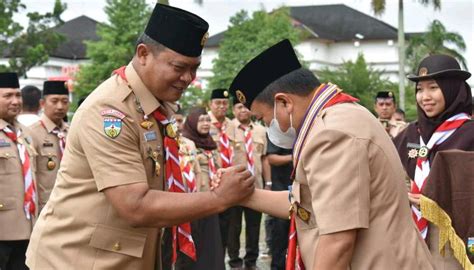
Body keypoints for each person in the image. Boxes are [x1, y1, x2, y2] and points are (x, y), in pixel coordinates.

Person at [25, 4, 254, 270]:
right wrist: (218, 198)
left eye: (194, 68)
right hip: (78, 260)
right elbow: (135, 205)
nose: (188, 78)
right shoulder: (110, 111)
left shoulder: (152, 107)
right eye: (179, 67)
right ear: (143, 54)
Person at [223, 39, 435, 270]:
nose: (265, 125)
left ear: (284, 102)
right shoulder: (335, 117)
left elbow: (337, 241)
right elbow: (304, 204)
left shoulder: (331, 134)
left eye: (263, 118)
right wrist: (243, 195)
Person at [394, 54, 473, 269]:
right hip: (409, 236)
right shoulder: (409, 134)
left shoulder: (470, 133)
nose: (424, 97)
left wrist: (438, 198)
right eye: (419, 89)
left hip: (451, 239)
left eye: (433, 88)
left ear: (452, 89)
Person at [175, 107, 225, 270]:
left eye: (207, 120)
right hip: (192, 200)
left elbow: (215, 167)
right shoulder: (185, 143)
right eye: (201, 120)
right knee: (193, 240)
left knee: (211, 241)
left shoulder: (211, 142)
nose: (205, 123)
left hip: (212, 199)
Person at [0, 72, 37, 270]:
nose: (15, 101)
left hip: (27, 227)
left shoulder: (26, 133)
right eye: (8, 96)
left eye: (18, 95)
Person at [227, 100, 269, 270]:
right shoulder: (227, 128)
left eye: (246, 107)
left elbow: (264, 158)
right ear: (233, 110)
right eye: (239, 107)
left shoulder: (261, 130)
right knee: (233, 226)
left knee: (254, 227)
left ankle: (251, 262)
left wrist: (269, 183)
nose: (243, 110)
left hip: (256, 186)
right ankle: (235, 262)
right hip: (234, 188)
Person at [29, 80, 70, 212]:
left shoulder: (72, 132)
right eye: (54, 101)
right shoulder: (31, 133)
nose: (60, 107)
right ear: (42, 104)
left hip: (71, 204)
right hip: (46, 207)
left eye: (64, 101)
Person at [208, 88, 236, 254]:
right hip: (212, 183)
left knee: (229, 226)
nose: (221, 106)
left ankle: (223, 259)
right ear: (210, 104)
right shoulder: (203, 123)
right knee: (212, 226)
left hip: (230, 183)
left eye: (225, 103)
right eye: (218, 103)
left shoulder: (232, 126)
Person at [266, 137, 293, 270]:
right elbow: (271, 158)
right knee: (280, 234)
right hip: (281, 188)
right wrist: (294, 157)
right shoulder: (277, 133)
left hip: (300, 190)